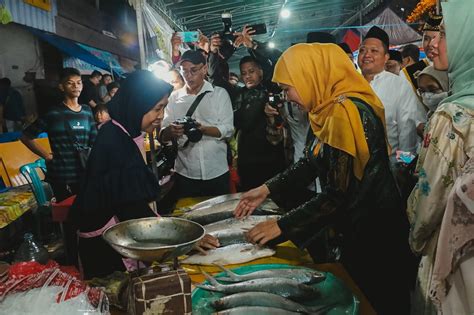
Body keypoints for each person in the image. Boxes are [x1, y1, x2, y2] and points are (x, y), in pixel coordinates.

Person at [234, 43, 412, 314]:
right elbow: (311, 162)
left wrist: (282, 226)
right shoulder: (327, 109)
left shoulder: (347, 112)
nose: (287, 96)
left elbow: (338, 195)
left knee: (373, 304)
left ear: (310, 75)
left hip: (374, 238)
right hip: (354, 230)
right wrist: (266, 189)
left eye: (287, 88)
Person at [407, 1, 474, 313]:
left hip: (454, 264)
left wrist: (414, 238)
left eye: (444, 34)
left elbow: (430, 198)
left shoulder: (454, 114)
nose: (431, 44)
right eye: (430, 36)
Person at [160, 50, 234, 198]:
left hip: (217, 170)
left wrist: (204, 129)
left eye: (193, 70)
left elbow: (229, 130)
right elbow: (163, 135)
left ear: (204, 69)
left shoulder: (219, 94)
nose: (188, 75)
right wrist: (172, 131)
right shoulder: (174, 99)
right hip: (186, 172)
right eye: (184, 71)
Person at [21, 68, 97, 201]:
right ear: (61, 87)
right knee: (67, 215)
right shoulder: (53, 114)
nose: (76, 86)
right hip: (61, 176)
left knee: (86, 214)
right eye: (70, 83)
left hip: (84, 173)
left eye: (79, 83)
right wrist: (46, 155)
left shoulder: (86, 111)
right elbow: (26, 136)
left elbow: (94, 141)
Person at [358, 26, 426, 158]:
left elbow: (407, 131)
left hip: (389, 167)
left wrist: (404, 165)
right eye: (362, 50)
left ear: (385, 57)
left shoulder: (399, 85)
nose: (367, 55)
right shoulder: (349, 84)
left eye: (374, 51)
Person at [233, 56, 287, 191]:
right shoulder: (238, 95)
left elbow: (274, 63)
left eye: (251, 71)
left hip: (271, 158)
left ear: (261, 72)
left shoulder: (271, 89)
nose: (248, 76)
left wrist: (253, 46)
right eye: (244, 73)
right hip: (247, 160)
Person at [402, 13, 442, 91]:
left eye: (436, 39)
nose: (430, 44)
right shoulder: (407, 75)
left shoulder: (458, 70)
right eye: (426, 39)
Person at [415, 65, 449, 135]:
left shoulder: (459, 119)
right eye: (422, 91)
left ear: (446, 85)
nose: (427, 96)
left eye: (432, 89)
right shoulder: (430, 115)